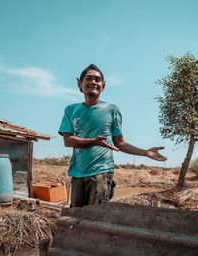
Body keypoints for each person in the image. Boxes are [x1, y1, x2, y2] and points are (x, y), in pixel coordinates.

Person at [58, 64, 167, 207]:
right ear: (80, 83)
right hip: (77, 174)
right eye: (88, 79)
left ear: (102, 86)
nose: (93, 82)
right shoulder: (71, 110)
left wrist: (146, 152)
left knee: (98, 217)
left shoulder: (112, 110)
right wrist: (93, 141)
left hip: (101, 173)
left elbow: (120, 143)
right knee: (76, 218)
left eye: (97, 80)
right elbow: (68, 141)